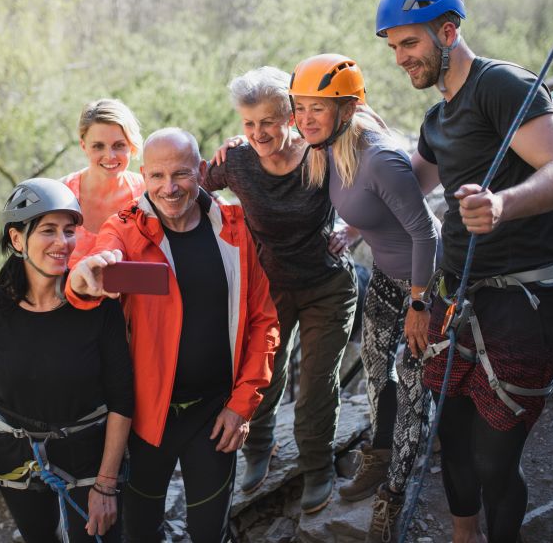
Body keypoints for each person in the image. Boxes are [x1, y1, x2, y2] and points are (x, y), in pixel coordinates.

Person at [376, 0, 553, 543]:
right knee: (452, 439)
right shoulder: (438, 119)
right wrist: (334, 149)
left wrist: (502, 203)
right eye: (393, 47)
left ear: (448, 32)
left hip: (528, 298)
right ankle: (463, 537)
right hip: (463, 296)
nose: (400, 58)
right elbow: (408, 184)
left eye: (410, 43)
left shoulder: (502, 87)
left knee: (494, 458)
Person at [66, 128, 280, 542]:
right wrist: (84, 279)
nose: (169, 188)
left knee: (208, 533)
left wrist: (242, 404)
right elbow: (91, 270)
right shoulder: (125, 229)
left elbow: (262, 321)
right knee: (142, 532)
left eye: (180, 174)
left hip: (215, 412)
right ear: (143, 176)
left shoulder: (233, 229)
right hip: (147, 417)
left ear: (200, 171)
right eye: (158, 176)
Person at [288, 54, 440, 542]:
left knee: (413, 385)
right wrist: (352, 229)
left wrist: (421, 306)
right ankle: (378, 458)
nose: (305, 119)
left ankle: (395, 496)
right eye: (300, 108)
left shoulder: (379, 156)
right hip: (388, 277)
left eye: (318, 108)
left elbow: (425, 234)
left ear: (348, 109)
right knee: (377, 371)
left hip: (427, 282)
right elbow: (370, 204)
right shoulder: (329, 148)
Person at [205, 66, 358, 515]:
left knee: (314, 386)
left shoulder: (323, 152)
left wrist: (353, 228)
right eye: (248, 124)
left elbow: (381, 185)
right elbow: (182, 187)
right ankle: (259, 451)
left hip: (327, 285)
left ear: (290, 115)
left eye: (268, 121)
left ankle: (317, 467)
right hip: (269, 288)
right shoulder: (236, 160)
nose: (258, 133)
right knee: (262, 376)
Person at [0, 178, 134, 543]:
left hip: (88, 455)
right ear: (17, 239)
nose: (63, 242)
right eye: (48, 230)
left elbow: (122, 400)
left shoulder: (98, 306)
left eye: (69, 231)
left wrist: (105, 485)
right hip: (14, 455)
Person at [61, 98, 145, 265]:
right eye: (98, 146)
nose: (110, 156)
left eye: (119, 145)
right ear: (84, 146)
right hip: (69, 290)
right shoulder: (61, 194)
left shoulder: (148, 193)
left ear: (131, 146)